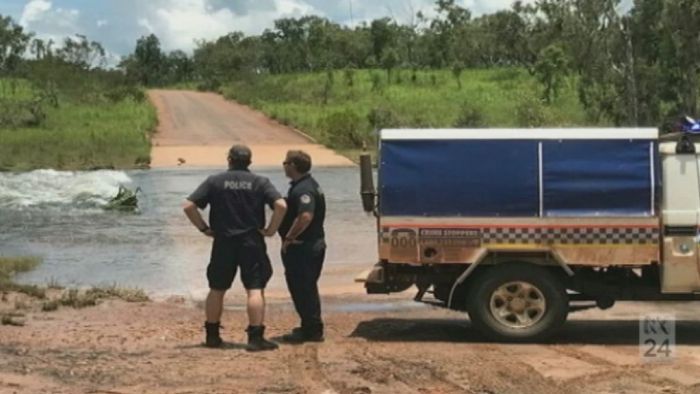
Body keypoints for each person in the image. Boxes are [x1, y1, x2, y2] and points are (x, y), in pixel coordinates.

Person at [183, 145, 287, 351]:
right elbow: (281, 205)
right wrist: (270, 230)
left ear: (229, 159)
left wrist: (204, 228)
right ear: (250, 161)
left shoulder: (215, 181)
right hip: (252, 242)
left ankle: (212, 336)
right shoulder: (260, 182)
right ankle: (255, 337)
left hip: (223, 241)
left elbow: (188, 206)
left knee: (217, 288)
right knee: (254, 289)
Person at [278, 150, 327, 343]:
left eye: (285, 162)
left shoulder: (303, 189)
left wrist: (289, 237)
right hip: (311, 244)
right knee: (306, 287)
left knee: (303, 288)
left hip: (303, 247)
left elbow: (305, 216)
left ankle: (313, 330)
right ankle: (309, 325)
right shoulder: (305, 185)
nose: (284, 165)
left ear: (293, 166)